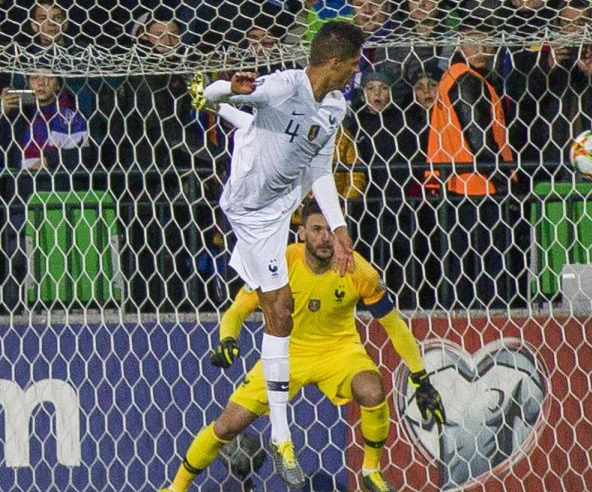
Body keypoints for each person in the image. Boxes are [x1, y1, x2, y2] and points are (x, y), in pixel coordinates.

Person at [157, 201, 446, 492]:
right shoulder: (281, 263)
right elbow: (237, 310)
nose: (324, 237)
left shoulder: (358, 269)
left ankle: (371, 470)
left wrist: (420, 377)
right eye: (317, 229)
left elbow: (393, 324)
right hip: (286, 353)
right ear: (302, 233)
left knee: (372, 389)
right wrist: (228, 339)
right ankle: (175, 488)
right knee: (228, 425)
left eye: (331, 231)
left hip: (339, 351)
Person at [197, 21, 365, 487]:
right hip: (247, 209)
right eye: (352, 64)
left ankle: (280, 436)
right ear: (333, 63)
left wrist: (340, 225)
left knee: (279, 312)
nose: (356, 71)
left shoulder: (335, 107)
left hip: (280, 209)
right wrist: (227, 87)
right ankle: (280, 435)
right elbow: (215, 97)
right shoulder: (283, 86)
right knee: (281, 309)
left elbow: (320, 168)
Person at [426, 23, 515, 308]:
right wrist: (503, 181)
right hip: (477, 185)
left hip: (456, 184)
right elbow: (478, 136)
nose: (483, 50)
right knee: (487, 268)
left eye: (488, 43)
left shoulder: (455, 77)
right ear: (461, 46)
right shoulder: (466, 79)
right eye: (474, 43)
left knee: (462, 265)